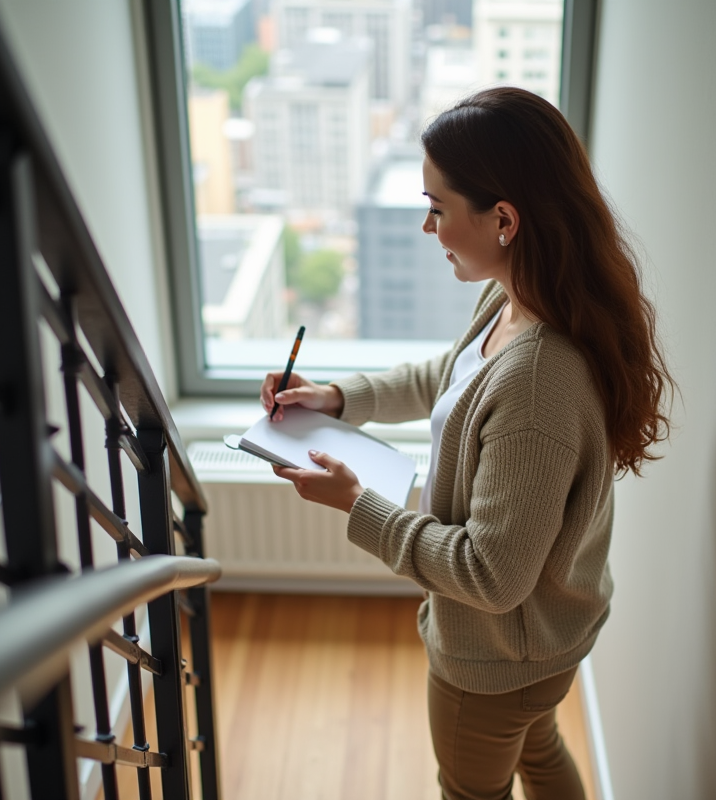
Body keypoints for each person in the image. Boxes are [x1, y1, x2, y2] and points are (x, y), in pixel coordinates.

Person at [261, 87, 673, 800]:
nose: (428, 227)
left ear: (504, 219)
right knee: (539, 749)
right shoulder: (523, 295)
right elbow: (449, 377)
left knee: (471, 789)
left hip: (497, 657)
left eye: (437, 208)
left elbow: (490, 575)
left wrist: (357, 505)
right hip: (539, 641)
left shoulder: (539, 383)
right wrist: (339, 398)